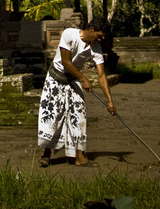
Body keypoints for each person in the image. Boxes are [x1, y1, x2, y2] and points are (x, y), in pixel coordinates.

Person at [38, 16, 116, 167]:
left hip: (73, 80)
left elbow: (101, 75)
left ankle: (79, 157)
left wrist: (110, 100)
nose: (100, 40)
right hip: (56, 78)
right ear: (91, 29)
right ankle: (46, 153)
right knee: (52, 115)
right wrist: (83, 78)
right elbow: (66, 62)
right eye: (99, 36)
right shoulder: (70, 34)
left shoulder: (95, 48)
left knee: (78, 115)